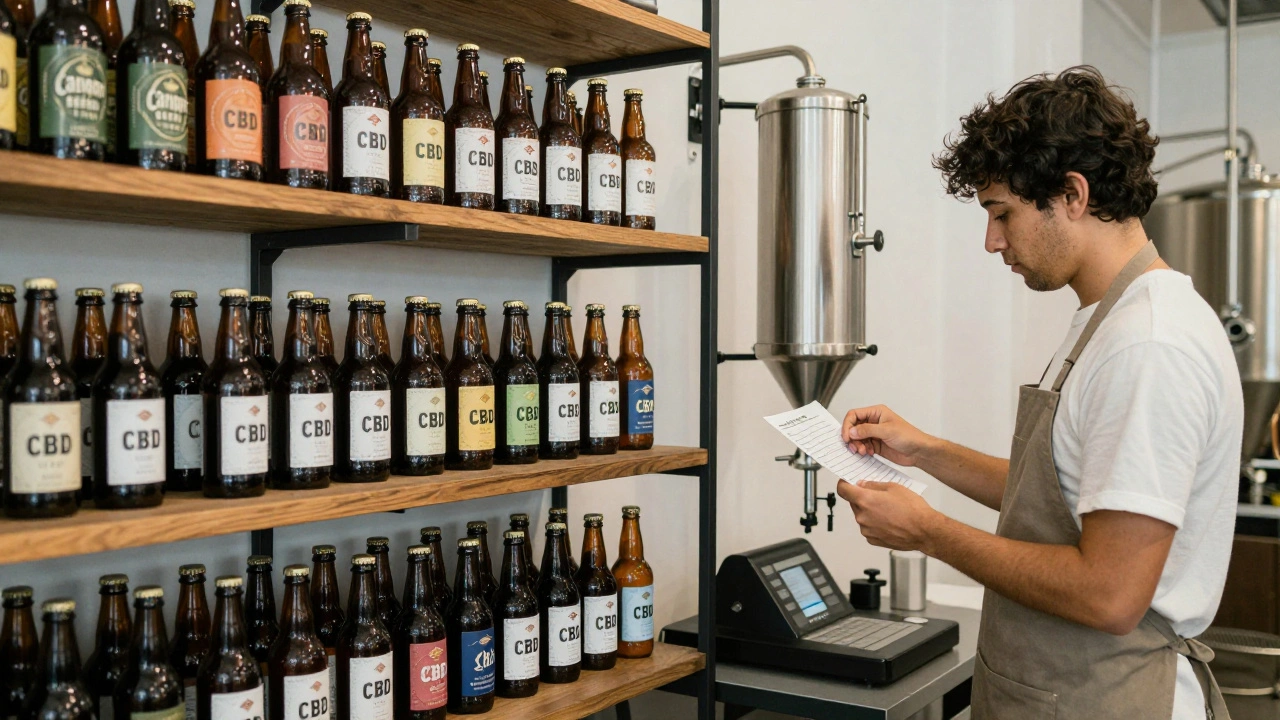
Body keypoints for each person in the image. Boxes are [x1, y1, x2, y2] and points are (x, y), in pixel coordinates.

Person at [837, 66, 1241, 719]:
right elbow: (1061, 496)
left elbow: (1108, 594)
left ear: (1073, 195)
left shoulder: (1147, 344)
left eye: (1003, 213)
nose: (992, 241)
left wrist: (929, 533)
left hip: (1109, 698)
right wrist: (925, 451)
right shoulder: (1109, 320)